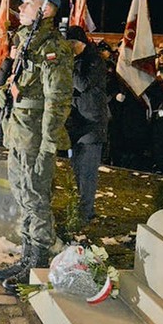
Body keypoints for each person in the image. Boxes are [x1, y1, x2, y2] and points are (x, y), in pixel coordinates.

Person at [0, 0, 73, 293]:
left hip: (37, 136)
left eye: (29, 4)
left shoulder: (54, 46)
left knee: (37, 198)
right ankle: (27, 257)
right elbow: (15, 86)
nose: (21, 9)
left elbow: (58, 100)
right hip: (19, 131)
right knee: (23, 195)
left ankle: (38, 266)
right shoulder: (26, 41)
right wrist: (6, 93)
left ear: (46, 10)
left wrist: (49, 146)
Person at [65, 26, 108, 223]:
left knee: (87, 173)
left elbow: (82, 84)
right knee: (77, 170)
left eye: (71, 44)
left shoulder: (94, 61)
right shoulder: (78, 60)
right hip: (76, 124)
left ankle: (86, 213)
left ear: (79, 43)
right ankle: (80, 209)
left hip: (92, 123)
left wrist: (69, 66)